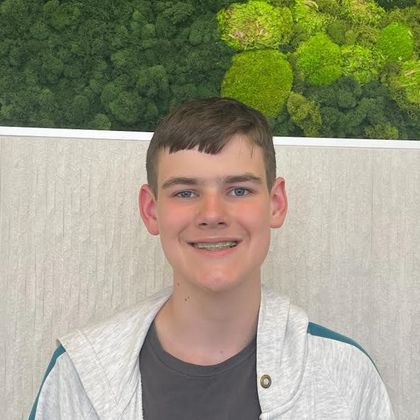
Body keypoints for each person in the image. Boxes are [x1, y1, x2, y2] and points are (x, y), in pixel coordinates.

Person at [29, 97, 394, 419]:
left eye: (238, 189)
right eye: (186, 192)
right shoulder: (77, 375)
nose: (212, 213)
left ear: (276, 204)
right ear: (151, 210)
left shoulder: (345, 376)